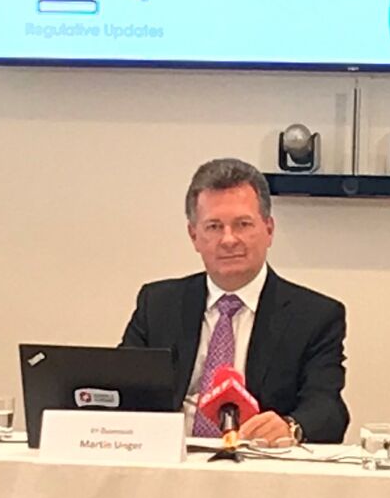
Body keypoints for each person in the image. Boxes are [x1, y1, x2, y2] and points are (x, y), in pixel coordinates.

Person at [120, 157, 347, 445]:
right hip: (171, 458)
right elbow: (122, 388)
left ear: (269, 229)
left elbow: (327, 409)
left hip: (261, 461)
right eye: (214, 226)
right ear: (194, 236)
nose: (228, 240)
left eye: (243, 224)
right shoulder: (158, 304)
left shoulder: (314, 316)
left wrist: (291, 427)